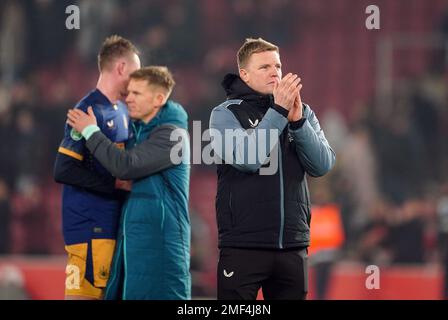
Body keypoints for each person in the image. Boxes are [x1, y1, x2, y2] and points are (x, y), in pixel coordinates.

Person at [209, 38, 336, 300]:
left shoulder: (302, 112)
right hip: (244, 245)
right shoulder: (225, 114)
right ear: (244, 74)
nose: (274, 72)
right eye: (264, 67)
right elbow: (248, 158)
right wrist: (278, 111)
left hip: (292, 245)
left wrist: (299, 122)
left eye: (277, 66)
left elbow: (323, 164)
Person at [66, 66, 191, 300]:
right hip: (137, 245)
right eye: (128, 92)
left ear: (159, 99)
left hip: (160, 248)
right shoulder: (139, 133)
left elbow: (126, 166)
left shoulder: (173, 137)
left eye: (136, 94)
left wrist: (91, 131)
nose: (128, 98)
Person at [53, 35, 141, 300]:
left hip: (111, 225)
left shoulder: (122, 111)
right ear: (121, 68)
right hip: (89, 230)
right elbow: (64, 169)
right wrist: (113, 186)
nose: (137, 80)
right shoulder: (87, 110)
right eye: (135, 72)